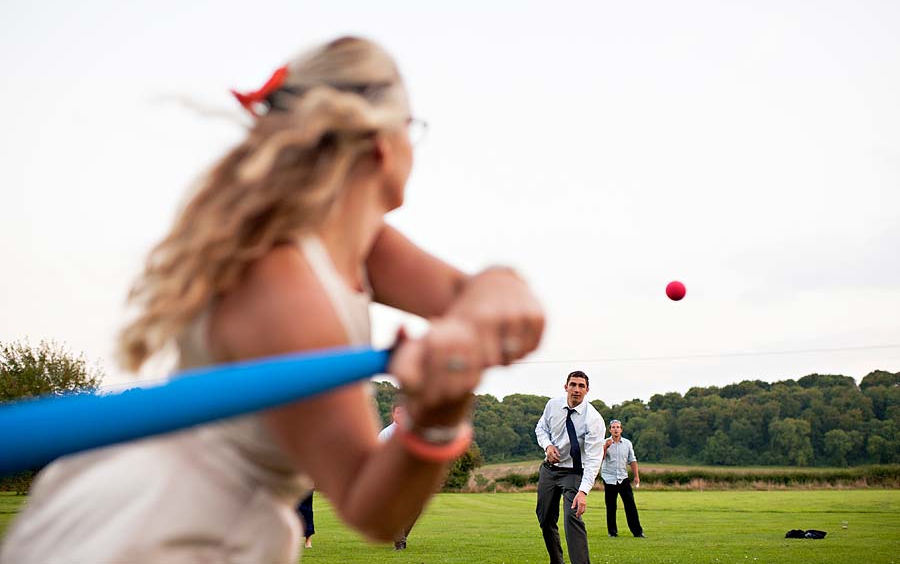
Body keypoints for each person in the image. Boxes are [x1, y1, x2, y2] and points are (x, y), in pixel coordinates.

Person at [0, 36, 545, 563]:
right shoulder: (287, 285)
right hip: (170, 533)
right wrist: (436, 420)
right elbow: (371, 506)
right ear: (384, 143)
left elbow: (463, 297)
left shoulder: (356, 243)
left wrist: (499, 287)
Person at [534, 371, 605, 564]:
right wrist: (547, 445)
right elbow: (541, 428)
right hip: (549, 469)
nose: (576, 389)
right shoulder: (552, 405)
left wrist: (583, 492)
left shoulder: (594, 420)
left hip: (574, 473)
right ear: (566, 386)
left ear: (587, 390)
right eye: (573, 384)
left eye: (581, 386)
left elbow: (593, 459)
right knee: (545, 518)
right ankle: (556, 561)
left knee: (572, 519)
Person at [378, 402, 417, 550]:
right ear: (393, 414)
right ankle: (399, 542)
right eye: (399, 412)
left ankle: (401, 536)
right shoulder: (385, 434)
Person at [599, 419, 644, 538]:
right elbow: (600, 459)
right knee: (611, 506)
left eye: (618, 427)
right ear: (610, 430)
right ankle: (612, 532)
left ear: (621, 429)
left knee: (630, 505)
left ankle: (637, 532)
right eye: (613, 427)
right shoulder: (605, 443)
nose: (616, 429)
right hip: (609, 478)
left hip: (623, 478)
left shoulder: (627, 443)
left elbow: (632, 460)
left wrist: (636, 476)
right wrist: (605, 448)